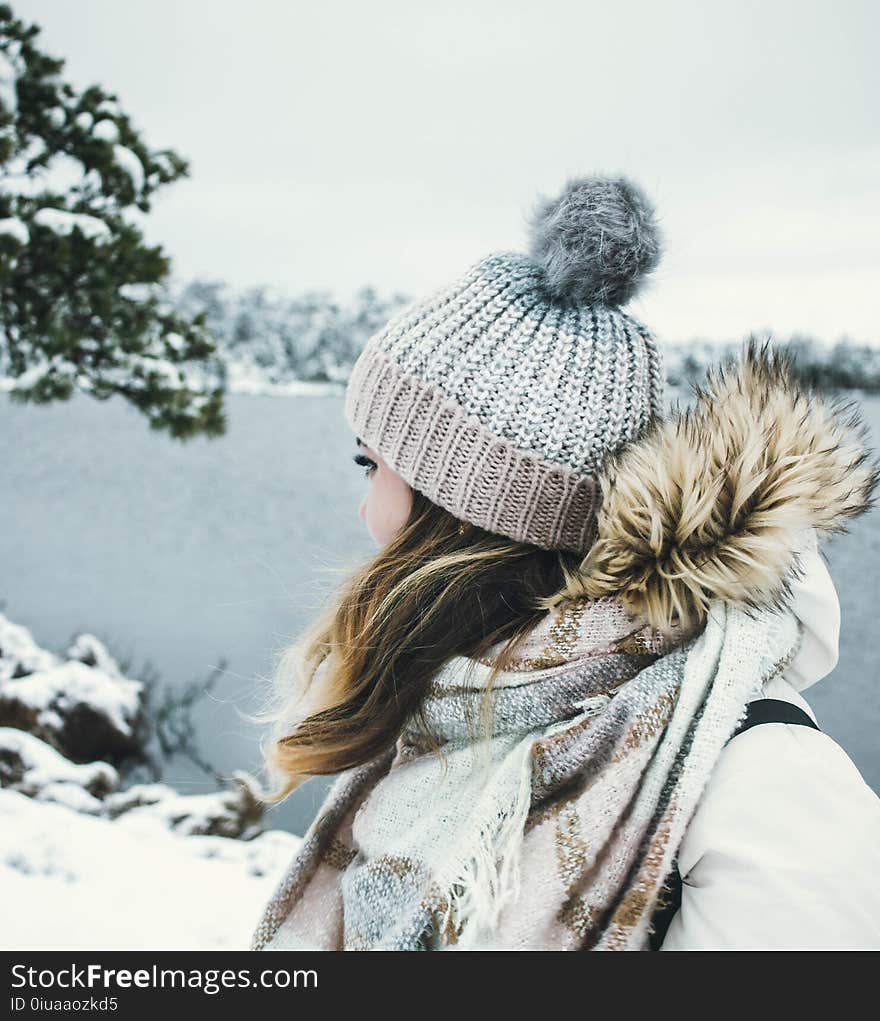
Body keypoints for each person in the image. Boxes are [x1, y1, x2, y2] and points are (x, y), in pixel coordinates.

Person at [249, 175, 880, 951]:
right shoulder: (456, 711)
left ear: (465, 512)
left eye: (369, 464)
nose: (364, 508)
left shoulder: (766, 787)